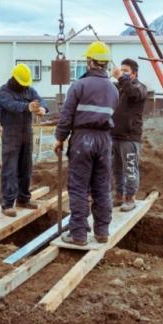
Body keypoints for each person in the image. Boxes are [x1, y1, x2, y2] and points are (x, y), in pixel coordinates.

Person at [53, 41, 119, 246]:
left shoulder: (79, 85)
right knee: (101, 187)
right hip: (104, 141)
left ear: (90, 62)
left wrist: (60, 137)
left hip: (83, 140)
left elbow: (66, 116)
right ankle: (102, 231)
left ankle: (79, 234)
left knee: (79, 187)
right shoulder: (113, 89)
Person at [0, 63, 48, 217]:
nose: (24, 86)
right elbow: (11, 105)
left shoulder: (29, 90)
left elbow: (41, 100)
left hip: (27, 133)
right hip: (11, 135)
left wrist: (42, 108)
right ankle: (7, 204)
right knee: (10, 170)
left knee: (25, 169)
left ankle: (23, 199)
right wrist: (28, 107)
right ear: (15, 79)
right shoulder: (4, 91)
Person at [111, 58, 148, 212]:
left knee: (130, 169)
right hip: (115, 135)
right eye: (122, 70)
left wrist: (120, 77)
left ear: (134, 74)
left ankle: (130, 197)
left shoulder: (140, 87)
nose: (123, 73)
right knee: (116, 169)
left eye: (126, 71)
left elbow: (133, 93)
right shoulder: (119, 88)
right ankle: (119, 195)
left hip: (130, 136)